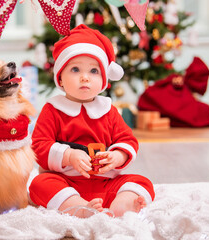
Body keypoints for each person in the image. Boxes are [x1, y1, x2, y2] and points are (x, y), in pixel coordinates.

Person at [29, 24, 155, 218]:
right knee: (40, 184)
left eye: (94, 71)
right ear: (60, 78)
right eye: (75, 69)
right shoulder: (53, 109)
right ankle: (78, 207)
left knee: (141, 181)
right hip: (67, 181)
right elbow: (38, 146)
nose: (85, 78)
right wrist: (68, 155)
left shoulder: (108, 110)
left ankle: (121, 204)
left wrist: (118, 156)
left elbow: (128, 140)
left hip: (105, 182)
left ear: (104, 80)